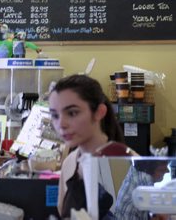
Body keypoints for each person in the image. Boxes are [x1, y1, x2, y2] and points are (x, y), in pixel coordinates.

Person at [49, 74, 133, 219]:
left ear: (99, 112)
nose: (61, 124)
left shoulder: (129, 163)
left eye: (72, 113)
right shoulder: (70, 163)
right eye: (55, 115)